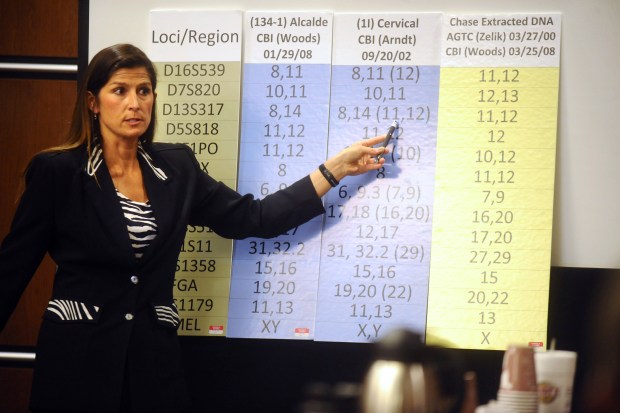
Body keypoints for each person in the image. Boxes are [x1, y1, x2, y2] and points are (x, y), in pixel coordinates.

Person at [0, 44, 389, 413]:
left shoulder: (176, 168)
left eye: (144, 90)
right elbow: (11, 270)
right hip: (77, 371)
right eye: (120, 91)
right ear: (93, 102)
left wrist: (335, 168)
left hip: (153, 373)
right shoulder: (58, 173)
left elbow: (255, 218)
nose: (135, 103)